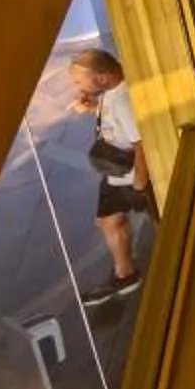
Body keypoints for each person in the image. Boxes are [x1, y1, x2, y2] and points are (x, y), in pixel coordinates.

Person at [69, 49, 149, 306]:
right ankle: (125, 273)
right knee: (106, 221)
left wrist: (139, 184)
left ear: (102, 78)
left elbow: (141, 144)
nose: (76, 86)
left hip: (129, 176)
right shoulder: (111, 92)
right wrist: (93, 107)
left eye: (79, 81)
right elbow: (118, 124)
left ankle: (127, 274)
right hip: (118, 174)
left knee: (110, 221)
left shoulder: (124, 100)